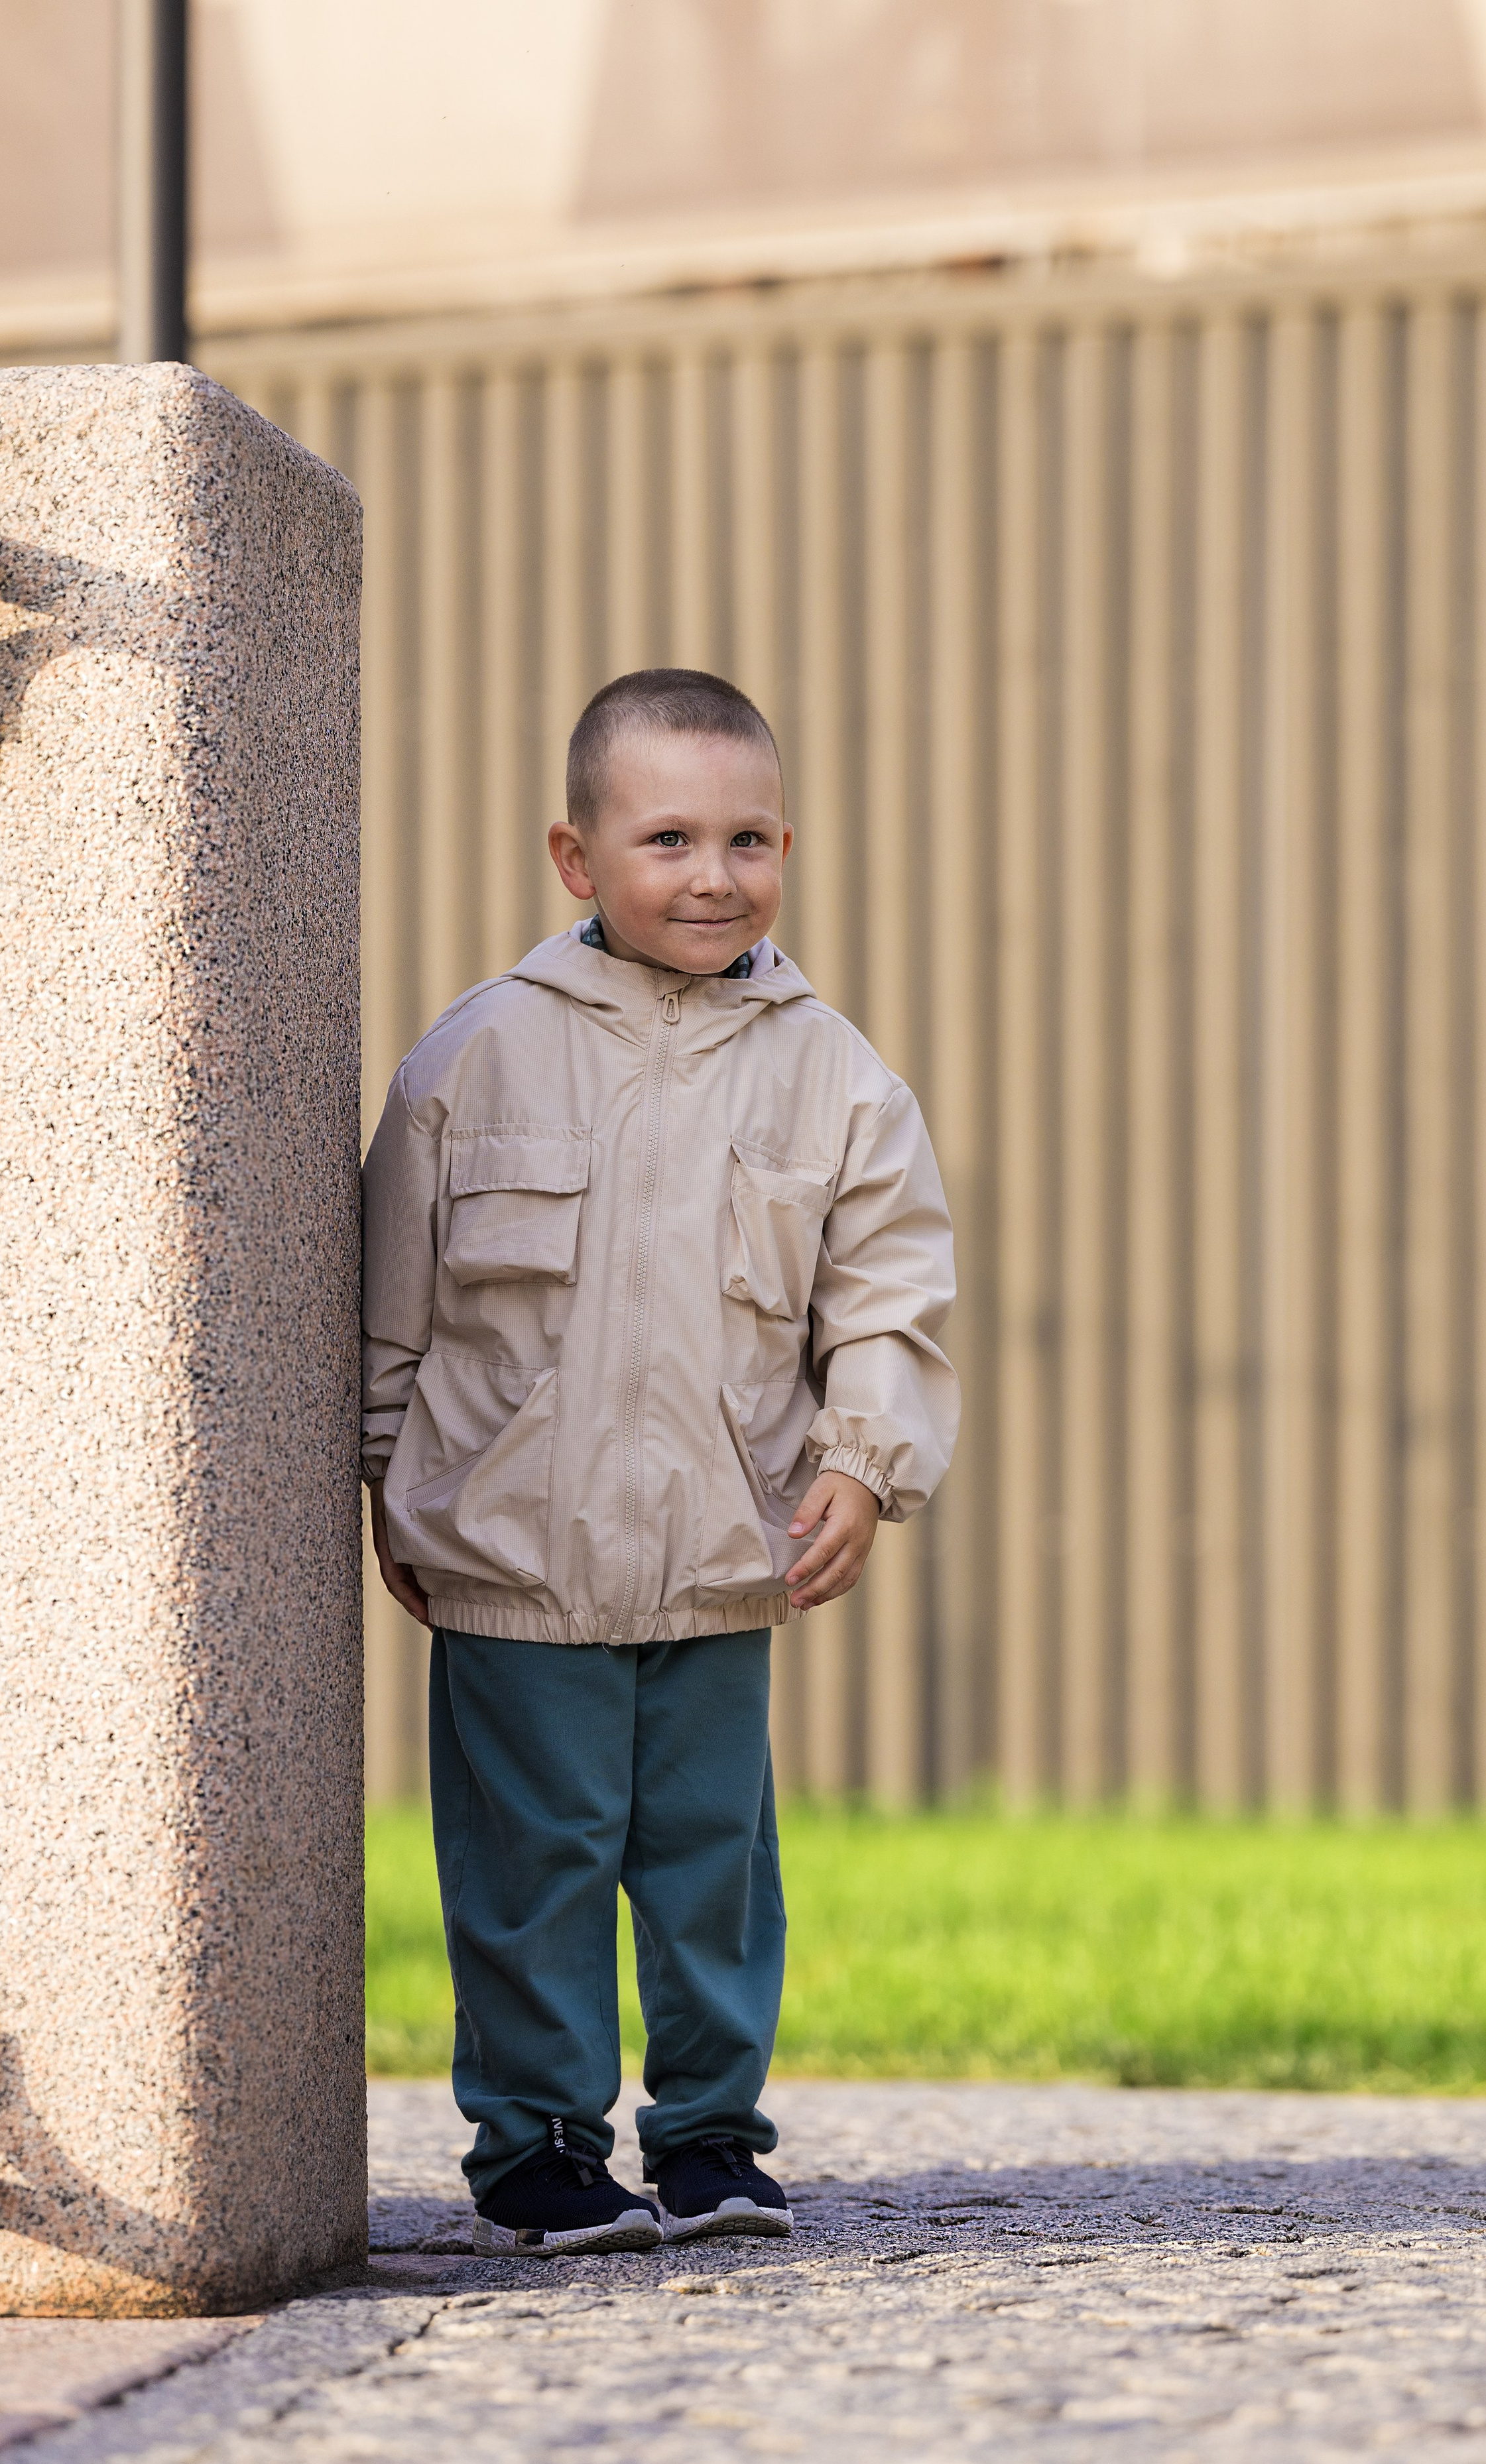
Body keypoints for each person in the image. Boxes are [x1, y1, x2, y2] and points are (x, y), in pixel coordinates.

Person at [361, 667, 959, 2255]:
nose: (713, 875)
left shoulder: (831, 1072)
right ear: (577, 860)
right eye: (670, 838)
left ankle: (708, 2141)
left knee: (709, 1869)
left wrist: (862, 1459)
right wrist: (380, 1478)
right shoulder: (472, 1059)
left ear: (787, 846)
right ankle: (541, 2149)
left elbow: (889, 1286)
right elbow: (390, 1296)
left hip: (722, 1547)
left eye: (749, 838)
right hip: (506, 1550)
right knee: (529, 1868)